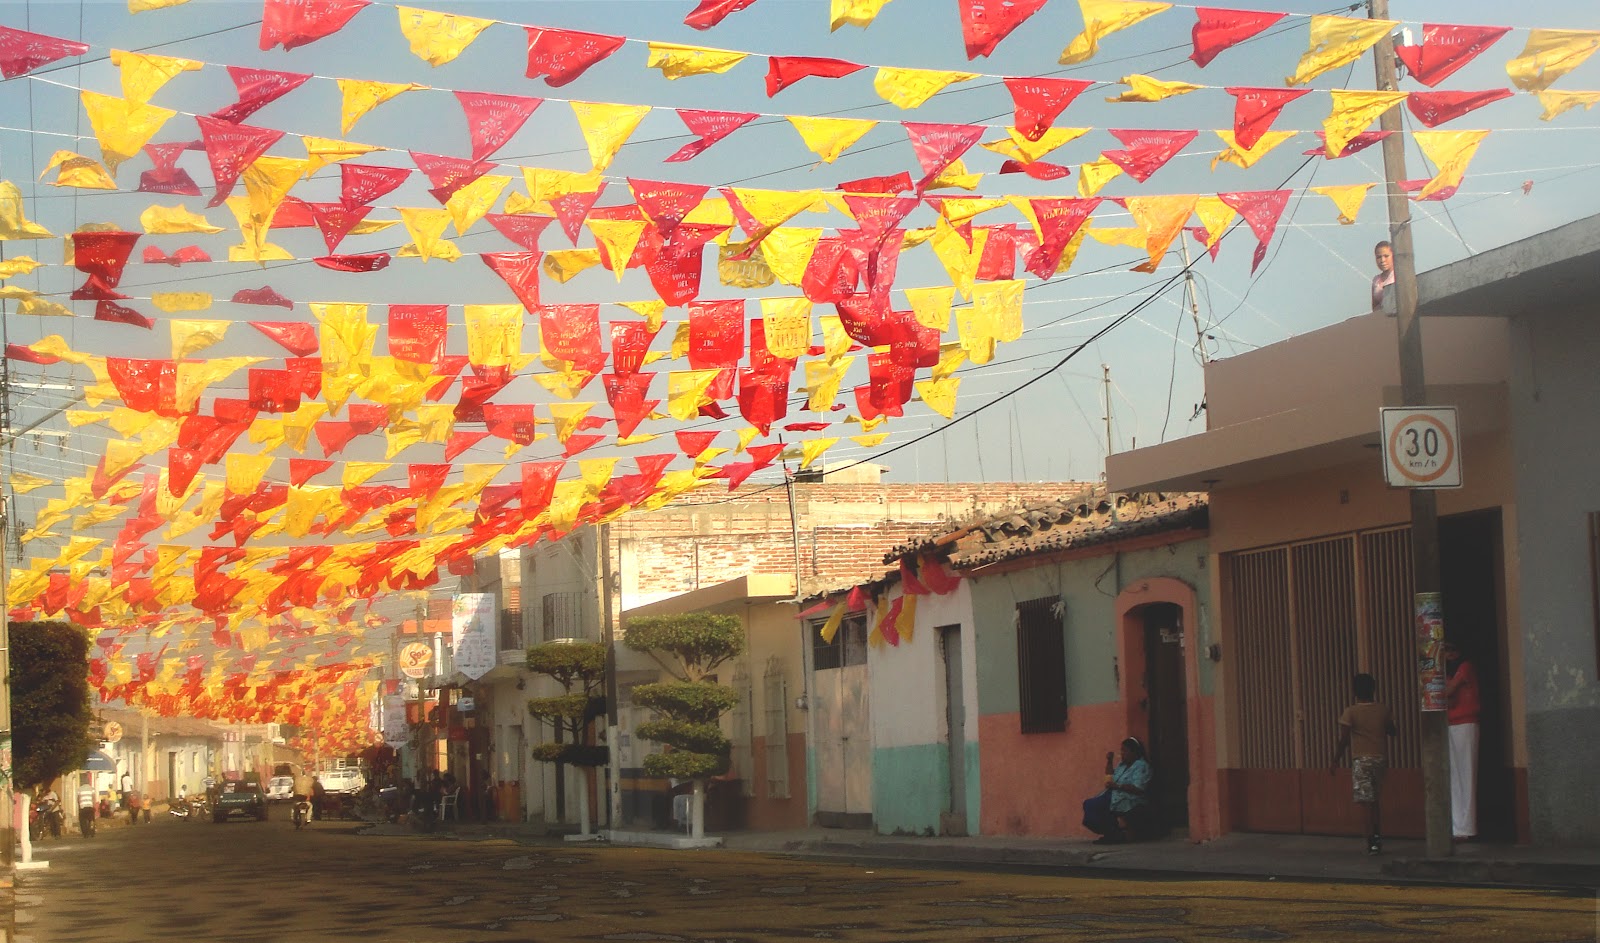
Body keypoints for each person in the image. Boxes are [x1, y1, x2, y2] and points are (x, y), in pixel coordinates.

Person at [1331, 672, 1397, 855]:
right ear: (1373, 690)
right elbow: (1392, 730)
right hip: (1380, 759)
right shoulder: (1383, 710)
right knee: (1375, 800)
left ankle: (1371, 840)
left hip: (1361, 760)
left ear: (1355, 692)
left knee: (1365, 802)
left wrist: (1335, 760)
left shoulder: (1350, 712)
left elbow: (1344, 740)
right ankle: (1377, 836)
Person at [1082, 737, 1153, 844]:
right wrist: (1109, 761)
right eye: (1121, 750)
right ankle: (1110, 834)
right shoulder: (1122, 765)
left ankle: (1113, 835)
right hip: (1114, 795)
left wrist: (1118, 786)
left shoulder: (1141, 766)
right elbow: (1110, 774)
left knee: (1097, 806)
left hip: (1130, 798)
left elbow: (1139, 788)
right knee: (1089, 805)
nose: (1122, 753)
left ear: (1134, 752)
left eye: (1125, 750)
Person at [1443, 641, 1480, 841]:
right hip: (1452, 723)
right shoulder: (1450, 673)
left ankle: (1466, 827)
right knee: (1456, 776)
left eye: (1450, 650)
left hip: (1466, 722)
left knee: (1466, 773)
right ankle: (1458, 826)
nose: (1447, 654)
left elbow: (1448, 693)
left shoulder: (1464, 667)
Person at [1371, 241, 1395, 310]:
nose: (1382, 260)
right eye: (1379, 257)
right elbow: (1374, 307)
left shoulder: (1398, 276)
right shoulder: (1376, 280)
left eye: (1386, 256)